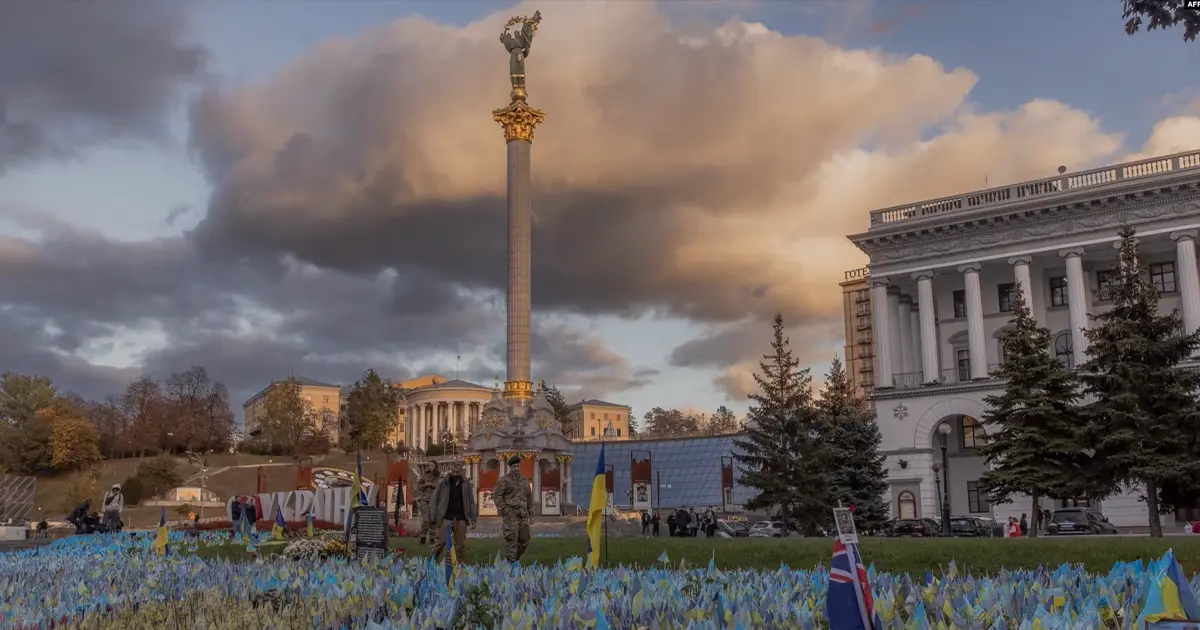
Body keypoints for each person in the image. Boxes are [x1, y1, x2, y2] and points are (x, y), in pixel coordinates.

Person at [429, 461, 477, 564]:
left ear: (461, 471)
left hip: (461, 517)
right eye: (454, 472)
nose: (455, 474)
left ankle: (458, 565)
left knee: (460, 545)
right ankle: (431, 562)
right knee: (440, 542)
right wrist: (433, 516)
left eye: (458, 472)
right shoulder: (443, 482)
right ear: (451, 471)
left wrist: (473, 519)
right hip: (446, 516)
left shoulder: (466, 483)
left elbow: (471, 501)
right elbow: (434, 499)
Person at [492, 455, 535, 562]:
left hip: (523, 515)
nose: (516, 469)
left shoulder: (524, 481)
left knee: (525, 541)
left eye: (517, 466)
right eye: (514, 467)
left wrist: (531, 514)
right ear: (510, 468)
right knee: (512, 542)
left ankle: (513, 561)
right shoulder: (504, 480)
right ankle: (510, 567)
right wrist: (503, 510)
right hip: (511, 515)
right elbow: (497, 496)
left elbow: (529, 499)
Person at [416, 463, 440, 544]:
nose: (430, 467)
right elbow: (419, 486)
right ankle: (423, 537)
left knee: (433, 520)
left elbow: (439, 486)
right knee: (426, 520)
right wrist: (425, 485)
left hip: (435, 501)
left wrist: (431, 485)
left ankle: (432, 539)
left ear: (435, 466)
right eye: (429, 465)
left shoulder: (438, 476)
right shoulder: (424, 476)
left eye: (432, 465)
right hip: (425, 500)